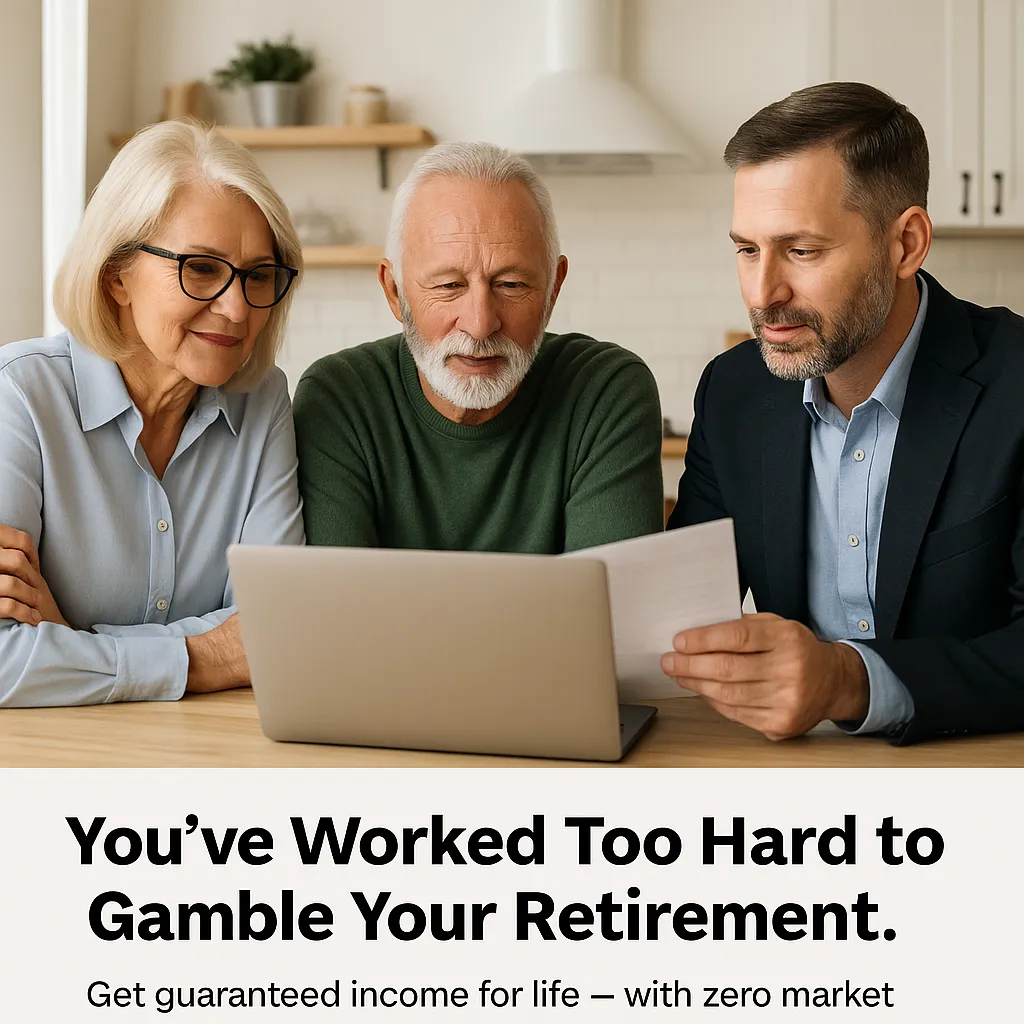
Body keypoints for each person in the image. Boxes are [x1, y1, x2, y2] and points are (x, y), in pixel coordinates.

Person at [663, 82, 1024, 745]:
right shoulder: (732, 391)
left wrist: (849, 681)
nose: (763, 294)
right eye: (747, 249)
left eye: (801, 251)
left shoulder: (1016, 383)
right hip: (795, 769)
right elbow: (684, 613)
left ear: (906, 243)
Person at [0, 120, 305, 707]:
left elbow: (276, 628)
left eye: (258, 275)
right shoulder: (19, 397)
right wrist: (210, 655)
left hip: (209, 750)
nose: (237, 309)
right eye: (201, 268)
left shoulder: (264, 402)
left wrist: (71, 645)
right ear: (117, 275)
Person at [292, 141, 663, 554]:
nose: (480, 324)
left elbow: (616, 595)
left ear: (553, 289)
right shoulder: (339, 398)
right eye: (449, 285)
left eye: (512, 284)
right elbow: (337, 597)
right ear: (395, 292)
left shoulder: (604, 390)